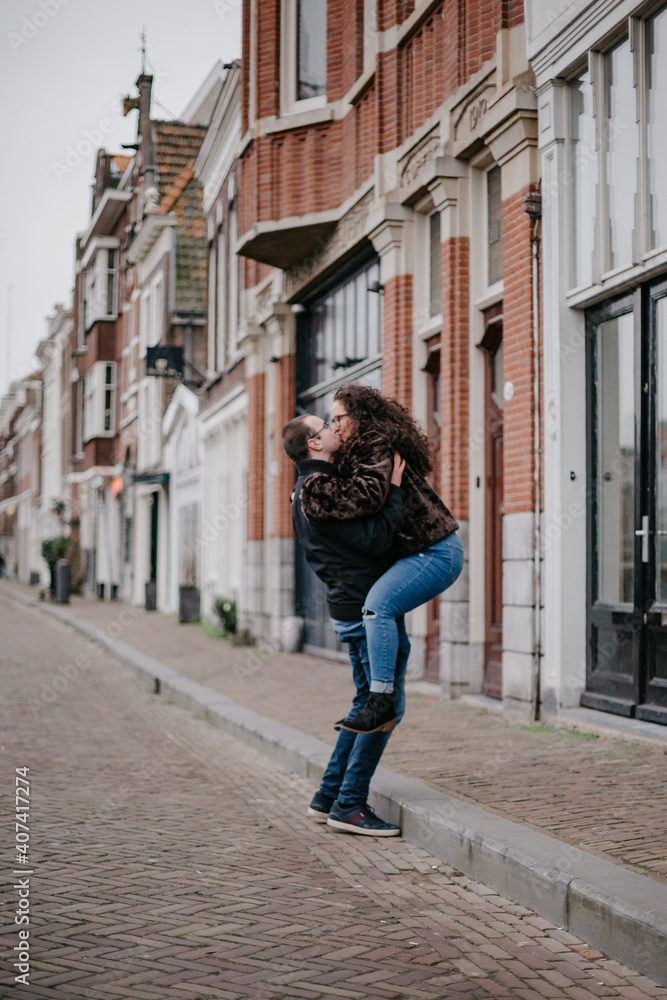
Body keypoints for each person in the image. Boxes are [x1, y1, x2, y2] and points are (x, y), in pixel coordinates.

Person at [300, 383, 463, 735]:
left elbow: (368, 496)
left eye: (338, 418)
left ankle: (380, 700)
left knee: (378, 607)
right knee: (378, 610)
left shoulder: (375, 444)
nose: (335, 425)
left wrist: (315, 490)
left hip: (436, 551)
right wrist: (308, 487)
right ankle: (379, 709)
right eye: (330, 421)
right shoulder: (355, 452)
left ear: (357, 417)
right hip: (415, 554)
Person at [282, 411, 407, 836]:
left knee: (365, 704)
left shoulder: (305, 490)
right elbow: (374, 540)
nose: (336, 428)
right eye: (326, 427)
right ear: (314, 444)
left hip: (350, 607)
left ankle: (327, 797)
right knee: (383, 708)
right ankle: (349, 804)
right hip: (363, 609)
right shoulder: (321, 490)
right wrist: (392, 491)